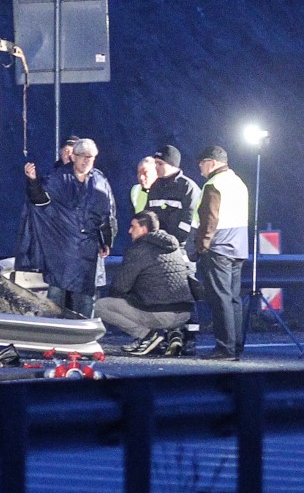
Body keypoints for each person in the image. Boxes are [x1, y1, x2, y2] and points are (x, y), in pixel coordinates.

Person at [17, 138, 117, 318]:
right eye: (83, 156)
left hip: (87, 252)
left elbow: (106, 215)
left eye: (91, 157)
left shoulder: (100, 182)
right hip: (61, 250)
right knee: (56, 295)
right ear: (74, 157)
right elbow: (40, 201)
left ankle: (82, 335)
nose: (87, 161)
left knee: (85, 299)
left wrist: (106, 241)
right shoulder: (58, 178)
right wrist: (32, 181)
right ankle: (52, 335)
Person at [94, 211, 195, 356]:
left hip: (162, 314)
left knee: (100, 306)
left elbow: (120, 286)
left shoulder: (138, 249)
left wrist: (124, 297)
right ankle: (174, 333)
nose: (129, 231)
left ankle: (148, 337)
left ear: (143, 229)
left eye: (132, 226)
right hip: (185, 313)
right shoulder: (174, 246)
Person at [192, 145, 249, 360]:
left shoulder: (213, 184)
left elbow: (210, 219)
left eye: (202, 163)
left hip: (219, 247)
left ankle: (224, 347)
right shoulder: (239, 182)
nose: (200, 168)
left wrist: (201, 247)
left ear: (212, 163)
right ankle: (236, 345)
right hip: (238, 246)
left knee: (220, 298)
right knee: (233, 298)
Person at [147, 144, 201, 248]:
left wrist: (176, 241)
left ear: (172, 165)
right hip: (157, 246)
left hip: (181, 248)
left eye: (160, 164)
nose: (156, 167)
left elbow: (189, 219)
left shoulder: (188, 188)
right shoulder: (155, 186)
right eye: (155, 163)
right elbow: (149, 214)